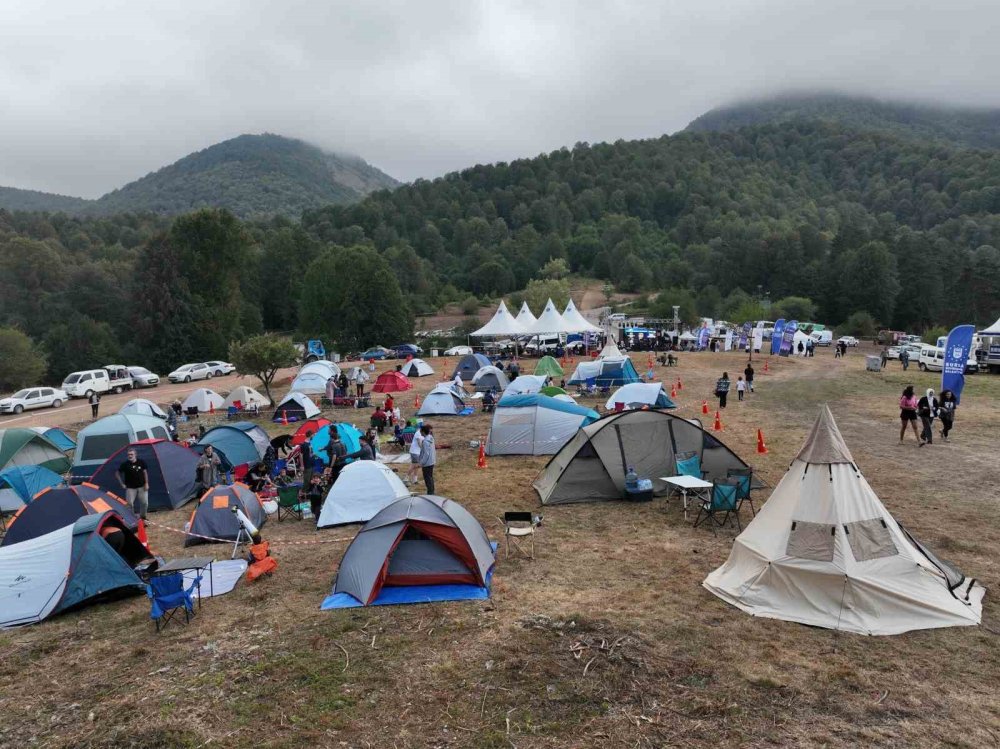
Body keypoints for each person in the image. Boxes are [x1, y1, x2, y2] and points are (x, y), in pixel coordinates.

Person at [117, 448, 149, 520]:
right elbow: (117, 473)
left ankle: (143, 517)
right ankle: (132, 518)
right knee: (129, 504)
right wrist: (122, 483)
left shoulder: (141, 462)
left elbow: (145, 473)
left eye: (131, 454)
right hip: (130, 487)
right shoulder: (125, 464)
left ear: (135, 455)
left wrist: (146, 483)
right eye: (128, 455)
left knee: (144, 503)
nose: (130, 456)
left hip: (142, 486)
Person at [418, 424, 436, 495]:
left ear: (423, 432)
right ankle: (432, 491)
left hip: (427, 463)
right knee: (430, 477)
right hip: (432, 461)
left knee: (427, 479)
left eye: (420, 431)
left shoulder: (425, 441)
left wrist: (421, 463)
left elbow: (426, 454)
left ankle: (430, 493)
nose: (420, 432)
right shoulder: (431, 438)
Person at [407, 421, 425, 485]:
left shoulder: (422, 433)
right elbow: (419, 442)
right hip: (414, 452)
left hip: (418, 452)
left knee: (417, 466)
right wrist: (423, 449)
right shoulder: (418, 433)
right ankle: (406, 478)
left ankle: (415, 480)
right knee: (414, 465)